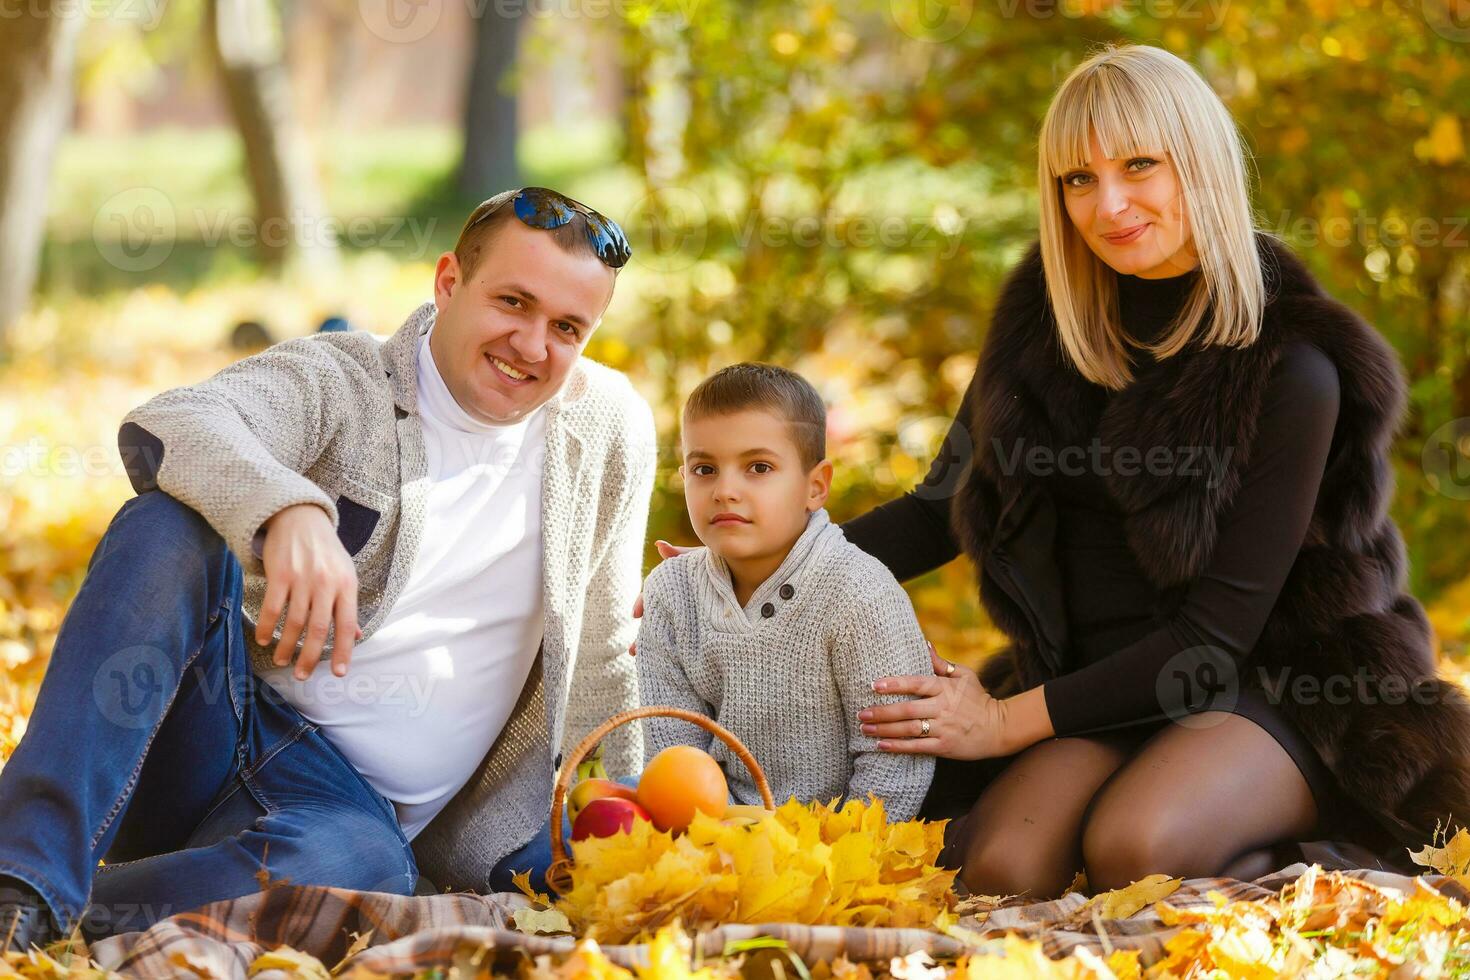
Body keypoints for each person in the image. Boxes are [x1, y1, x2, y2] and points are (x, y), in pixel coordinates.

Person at [840, 44, 1470, 896]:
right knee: (1000, 867)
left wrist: (999, 723)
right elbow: (936, 506)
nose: (1110, 204)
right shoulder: (1042, 323)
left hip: (1278, 688)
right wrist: (759, 572)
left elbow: (1214, 639)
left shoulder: (1292, 366)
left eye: (1140, 165)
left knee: (1137, 844)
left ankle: (1343, 856)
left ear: (1199, 164)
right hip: (1096, 688)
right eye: (1077, 179)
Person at [0, 187, 656, 950]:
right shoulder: (344, 383)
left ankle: (50, 916)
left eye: (568, 328)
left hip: (343, 817)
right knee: (169, 526)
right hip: (214, 729)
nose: (533, 345)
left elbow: (606, 653)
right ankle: (18, 879)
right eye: (513, 302)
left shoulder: (607, 430)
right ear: (449, 283)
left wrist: (630, 830)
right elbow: (175, 420)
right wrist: (287, 511)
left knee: (360, 868)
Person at [635, 364, 935, 821]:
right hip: (720, 832)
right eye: (704, 468)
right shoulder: (672, 592)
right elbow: (672, 749)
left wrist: (834, 856)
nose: (725, 490)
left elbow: (894, 761)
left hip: (839, 845)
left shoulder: (859, 593)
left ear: (815, 486)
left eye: (758, 467)